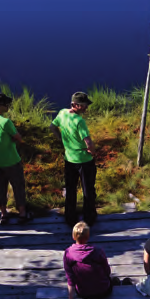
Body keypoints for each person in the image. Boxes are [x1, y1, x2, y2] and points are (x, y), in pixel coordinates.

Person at [51, 91, 97, 228]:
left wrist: (62, 140)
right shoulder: (79, 121)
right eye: (83, 105)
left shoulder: (62, 113)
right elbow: (88, 142)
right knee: (88, 189)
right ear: (75, 105)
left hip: (69, 159)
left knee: (71, 189)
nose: (86, 107)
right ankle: (89, 217)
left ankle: (70, 217)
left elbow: (52, 127)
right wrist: (93, 153)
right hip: (84, 160)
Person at [63, 221, 129, 299]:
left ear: (73, 237)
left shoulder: (68, 253)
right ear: (88, 236)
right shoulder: (98, 251)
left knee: (112, 281)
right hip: (103, 291)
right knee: (114, 280)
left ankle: (116, 282)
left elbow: (70, 279)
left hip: (83, 293)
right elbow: (107, 272)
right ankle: (120, 283)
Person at [0, 92, 30, 223]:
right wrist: (13, 140)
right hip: (12, 160)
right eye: (6, 104)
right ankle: (22, 213)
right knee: (18, 186)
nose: (8, 106)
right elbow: (18, 138)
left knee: (1, 187)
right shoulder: (6, 122)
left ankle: (3, 214)